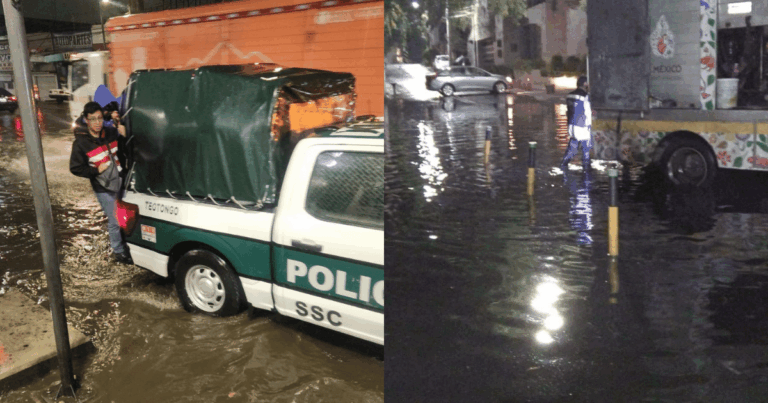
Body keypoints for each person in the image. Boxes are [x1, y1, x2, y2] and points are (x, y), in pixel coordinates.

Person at [69, 102, 132, 264]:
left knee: (125, 214)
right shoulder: (81, 143)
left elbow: (125, 149)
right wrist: (96, 171)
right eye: (92, 119)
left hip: (120, 179)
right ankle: (119, 252)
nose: (97, 123)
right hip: (102, 187)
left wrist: (122, 133)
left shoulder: (110, 133)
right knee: (114, 219)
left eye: (99, 118)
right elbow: (75, 168)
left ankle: (127, 244)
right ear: (86, 120)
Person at [560, 76, 593, 170]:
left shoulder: (569, 95)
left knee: (572, 149)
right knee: (586, 150)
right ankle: (586, 174)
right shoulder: (585, 96)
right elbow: (588, 113)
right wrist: (589, 127)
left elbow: (569, 110)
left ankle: (563, 166)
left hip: (571, 126)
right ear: (585, 84)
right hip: (582, 126)